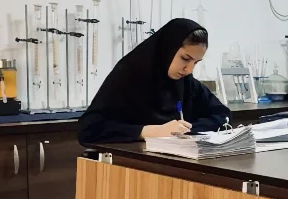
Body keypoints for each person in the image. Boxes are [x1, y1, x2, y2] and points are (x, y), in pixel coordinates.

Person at [78, 18, 231, 145]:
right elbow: (89, 128)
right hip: (130, 164)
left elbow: (223, 115)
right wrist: (148, 131)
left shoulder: (186, 82)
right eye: (185, 59)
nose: (189, 69)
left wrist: (186, 129)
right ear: (168, 48)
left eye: (195, 63)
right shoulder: (129, 74)